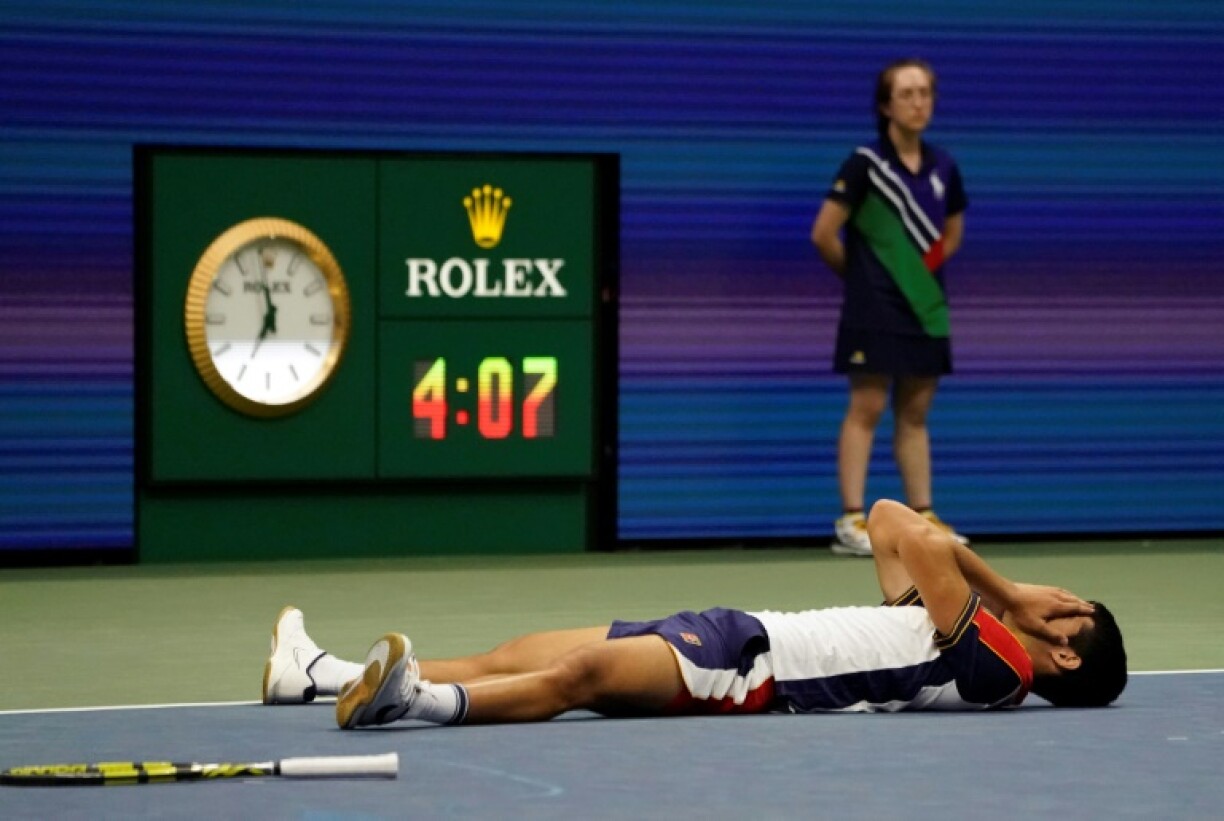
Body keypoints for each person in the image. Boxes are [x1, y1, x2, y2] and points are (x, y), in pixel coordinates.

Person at [262, 500, 1127, 729]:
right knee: (516, 652)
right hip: (733, 628)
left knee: (578, 677)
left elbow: (930, 544)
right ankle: (318, 674)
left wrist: (1010, 595)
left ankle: (412, 702)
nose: (1049, 597)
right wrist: (1009, 593)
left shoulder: (998, 670)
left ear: (1064, 654)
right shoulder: (939, 634)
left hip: (752, 670)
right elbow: (892, 519)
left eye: (1066, 609)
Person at [811, 58, 969, 557]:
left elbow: (952, 233)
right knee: (868, 406)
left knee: (916, 411)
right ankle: (852, 518)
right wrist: (863, 281)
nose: (918, 102)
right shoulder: (865, 165)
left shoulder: (944, 166)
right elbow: (823, 233)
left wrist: (916, 276)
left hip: (926, 308)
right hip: (872, 310)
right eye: (907, 94)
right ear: (885, 106)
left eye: (925, 93)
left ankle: (924, 515)